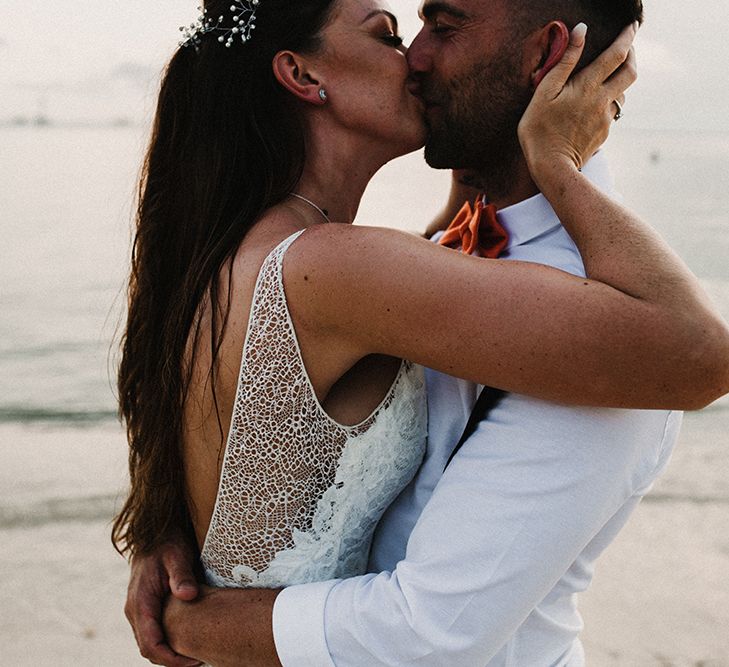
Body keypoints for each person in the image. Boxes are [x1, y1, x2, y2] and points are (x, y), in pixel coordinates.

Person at [119, 0, 729, 665]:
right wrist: (554, 162)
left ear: (545, 54)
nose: (414, 55)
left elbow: (699, 356)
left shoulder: (274, 252)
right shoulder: (340, 267)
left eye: (441, 27)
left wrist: (183, 576)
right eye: (391, 34)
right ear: (299, 75)